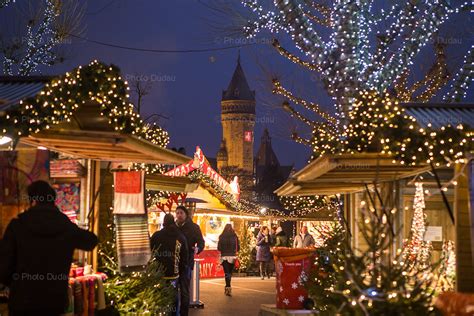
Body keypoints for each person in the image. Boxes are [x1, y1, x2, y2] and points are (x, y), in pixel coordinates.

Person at [0, 180, 98, 316]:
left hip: (23, 300)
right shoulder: (65, 226)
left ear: (32, 200)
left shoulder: (17, 226)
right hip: (53, 300)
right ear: (52, 200)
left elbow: (4, 266)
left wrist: (13, 282)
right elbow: (91, 241)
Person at [150, 213, 188, 316]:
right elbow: (184, 256)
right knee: (173, 297)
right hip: (173, 273)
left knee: (159, 297)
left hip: (159, 273)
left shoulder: (156, 236)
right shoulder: (180, 237)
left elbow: (150, 251)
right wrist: (180, 270)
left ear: (164, 223)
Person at [175, 205, 205, 316]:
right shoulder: (173, 227)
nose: (179, 215)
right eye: (177, 213)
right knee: (173, 290)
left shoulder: (194, 227)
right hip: (173, 263)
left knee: (184, 291)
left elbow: (201, 242)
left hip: (186, 263)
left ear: (186, 214)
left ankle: (184, 314)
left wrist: (198, 249)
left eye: (181, 213)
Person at [217, 223, 240, 296]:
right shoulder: (235, 236)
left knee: (226, 273)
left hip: (224, 257)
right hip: (232, 256)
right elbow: (238, 248)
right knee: (229, 273)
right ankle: (228, 287)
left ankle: (228, 287)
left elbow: (219, 248)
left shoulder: (221, 236)